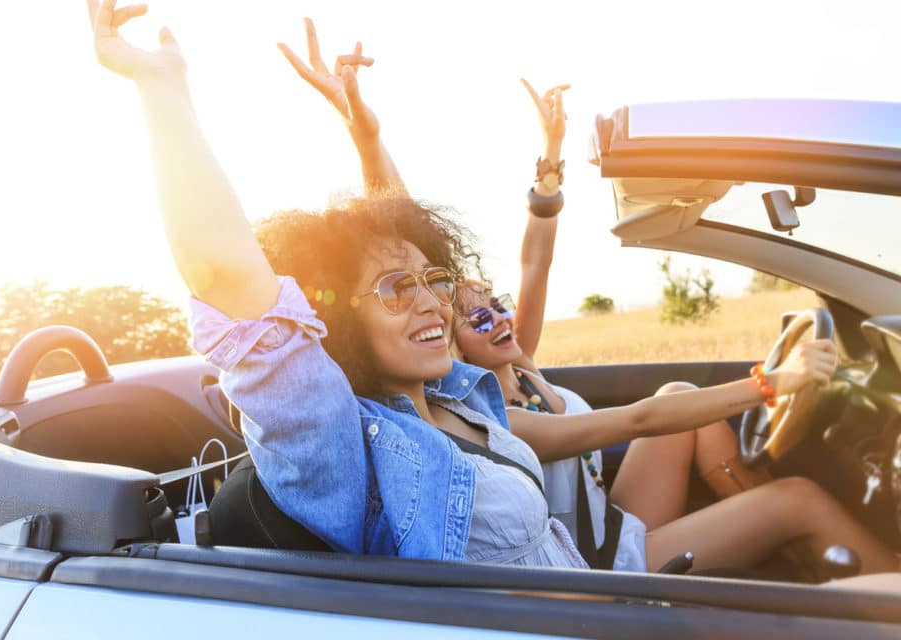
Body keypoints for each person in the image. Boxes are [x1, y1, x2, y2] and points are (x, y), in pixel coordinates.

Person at [85, 2, 899, 577]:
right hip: (591, 605)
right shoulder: (341, 446)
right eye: (398, 290)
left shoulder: (468, 398)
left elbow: (400, 238)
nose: (440, 304)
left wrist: (369, 138)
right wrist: (162, 90)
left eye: (436, 283)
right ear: (327, 323)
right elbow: (229, 279)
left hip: (599, 585)